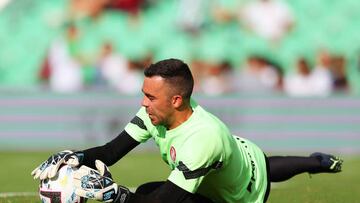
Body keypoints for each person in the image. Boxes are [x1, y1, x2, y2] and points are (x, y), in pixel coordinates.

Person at [32, 59, 343, 203]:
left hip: (240, 199)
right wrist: (76, 156)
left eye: (150, 97)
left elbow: (165, 202)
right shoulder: (152, 114)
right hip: (242, 155)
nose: (143, 102)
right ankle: (315, 161)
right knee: (263, 163)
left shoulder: (202, 141)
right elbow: (112, 152)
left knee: (146, 195)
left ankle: (318, 162)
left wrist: (113, 195)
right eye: (144, 93)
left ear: (176, 100)